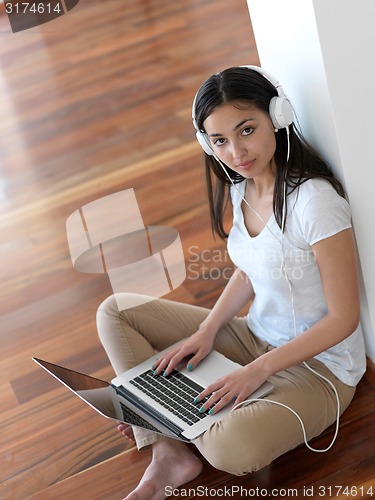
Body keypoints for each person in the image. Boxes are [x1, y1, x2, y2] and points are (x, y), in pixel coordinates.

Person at [96, 66, 366, 499]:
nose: (236, 151)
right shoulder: (242, 187)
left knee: (230, 448)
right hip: (256, 337)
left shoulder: (315, 203)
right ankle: (169, 448)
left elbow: (343, 319)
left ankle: (158, 412)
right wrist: (207, 332)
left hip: (320, 370)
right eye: (219, 140)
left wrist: (254, 372)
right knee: (116, 312)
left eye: (247, 130)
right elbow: (249, 271)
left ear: (277, 117)